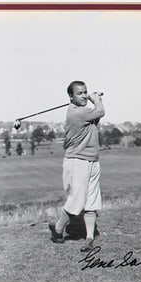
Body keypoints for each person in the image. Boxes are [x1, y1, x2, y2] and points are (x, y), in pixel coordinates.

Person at [49, 81, 105, 250]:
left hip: (92, 159)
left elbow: (96, 118)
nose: (83, 96)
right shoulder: (76, 112)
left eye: (85, 92)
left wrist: (95, 100)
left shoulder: (84, 111)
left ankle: (89, 238)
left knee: (92, 200)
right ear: (71, 97)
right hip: (77, 161)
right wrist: (96, 99)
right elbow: (100, 111)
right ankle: (58, 229)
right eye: (79, 93)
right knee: (78, 201)